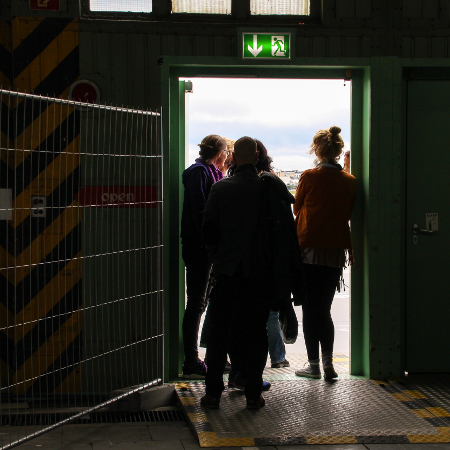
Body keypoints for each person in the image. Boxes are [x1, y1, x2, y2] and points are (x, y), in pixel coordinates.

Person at [200, 136, 270, 409]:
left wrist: (220, 258)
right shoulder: (268, 189)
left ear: (233, 158)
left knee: (219, 334)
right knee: (256, 334)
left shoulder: (221, 188)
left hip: (227, 273)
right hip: (258, 276)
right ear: (255, 155)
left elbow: (208, 231)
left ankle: (212, 394)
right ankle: (253, 393)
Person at [293, 126, 356, 380]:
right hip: (334, 253)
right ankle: (329, 364)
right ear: (339, 152)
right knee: (325, 310)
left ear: (317, 150)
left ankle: (313, 366)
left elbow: (297, 209)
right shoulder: (350, 181)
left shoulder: (309, 176)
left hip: (308, 251)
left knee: (309, 310)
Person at [180, 134, 228, 379]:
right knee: (197, 304)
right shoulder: (200, 172)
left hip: (201, 246)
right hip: (200, 248)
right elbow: (201, 212)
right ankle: (191, 361)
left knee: (201, 303)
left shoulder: (207, 171)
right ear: (220, 153)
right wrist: (212, 241)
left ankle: (202, 358)